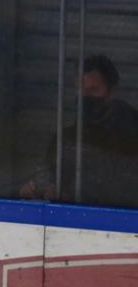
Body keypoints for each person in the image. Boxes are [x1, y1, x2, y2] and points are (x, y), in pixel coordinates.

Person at [20, 54, 138, 208]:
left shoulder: (131, 134)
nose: (85, 97)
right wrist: (39, 187)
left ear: (112, 92)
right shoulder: (67, 138)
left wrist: (72, 196)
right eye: (80, 90)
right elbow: (49, 174)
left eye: (93, 90)